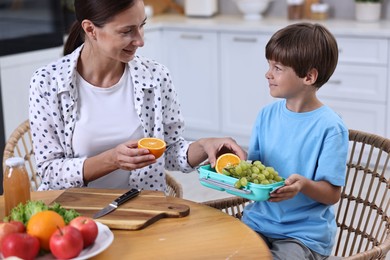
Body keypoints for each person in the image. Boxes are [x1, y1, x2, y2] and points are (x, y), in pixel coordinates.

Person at [28, 0, 246, 191]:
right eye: (126, 31)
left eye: (142, 26)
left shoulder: (156, 77)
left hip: (139, 209)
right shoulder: (48, 83)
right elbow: (49, 171)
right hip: (73, 216)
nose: (140, 40)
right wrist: (112, 160)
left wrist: (204, 145)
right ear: (91, 29)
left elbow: (169, 150)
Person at [241, 23, 349, 260]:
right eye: (269, 65)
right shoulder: (266, 115)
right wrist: (233, 162)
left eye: (277, 68)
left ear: (308, 76)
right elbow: (253, 170)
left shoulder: (331, 127)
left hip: (302, 235)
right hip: (257, 221)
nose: (267, 74)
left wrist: (303, 185)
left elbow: (332, 194)